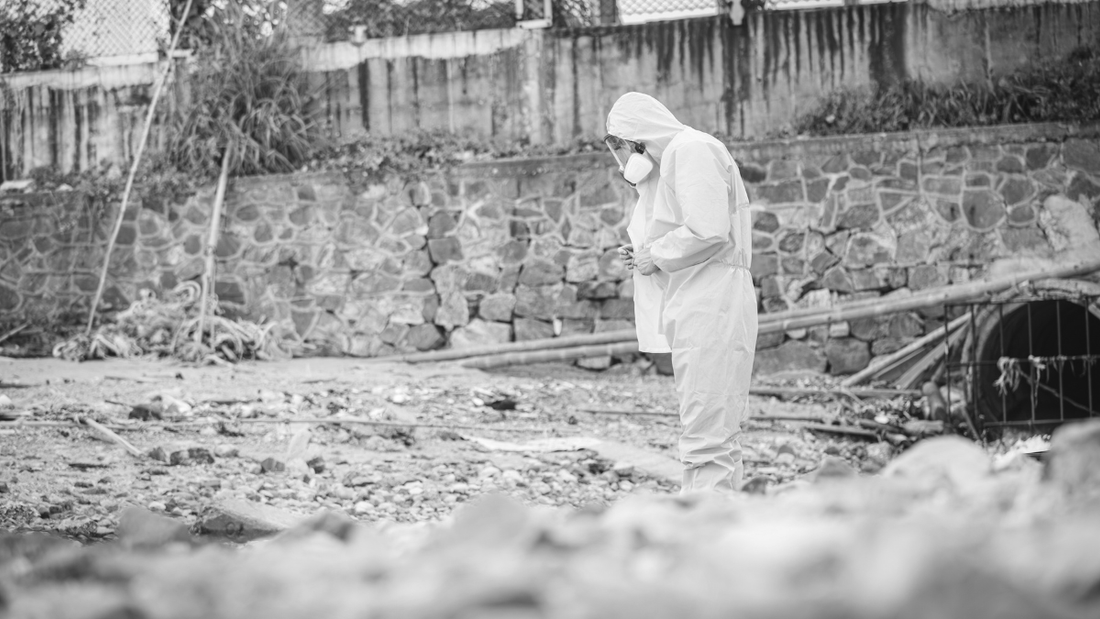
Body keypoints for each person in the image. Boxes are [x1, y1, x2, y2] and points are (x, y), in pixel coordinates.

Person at [605, 92, 758, 494]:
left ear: (637, 140)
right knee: (711, 426)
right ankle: (714, 523)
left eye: (620, 147)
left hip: (712, 300)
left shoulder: (689, 150)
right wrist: (646, 253)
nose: (623, 160)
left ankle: (704, 528)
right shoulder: (684, 154)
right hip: (704, 297)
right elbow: (691, 226)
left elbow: (707, 230)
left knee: (707, 429)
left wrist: (654, 254)